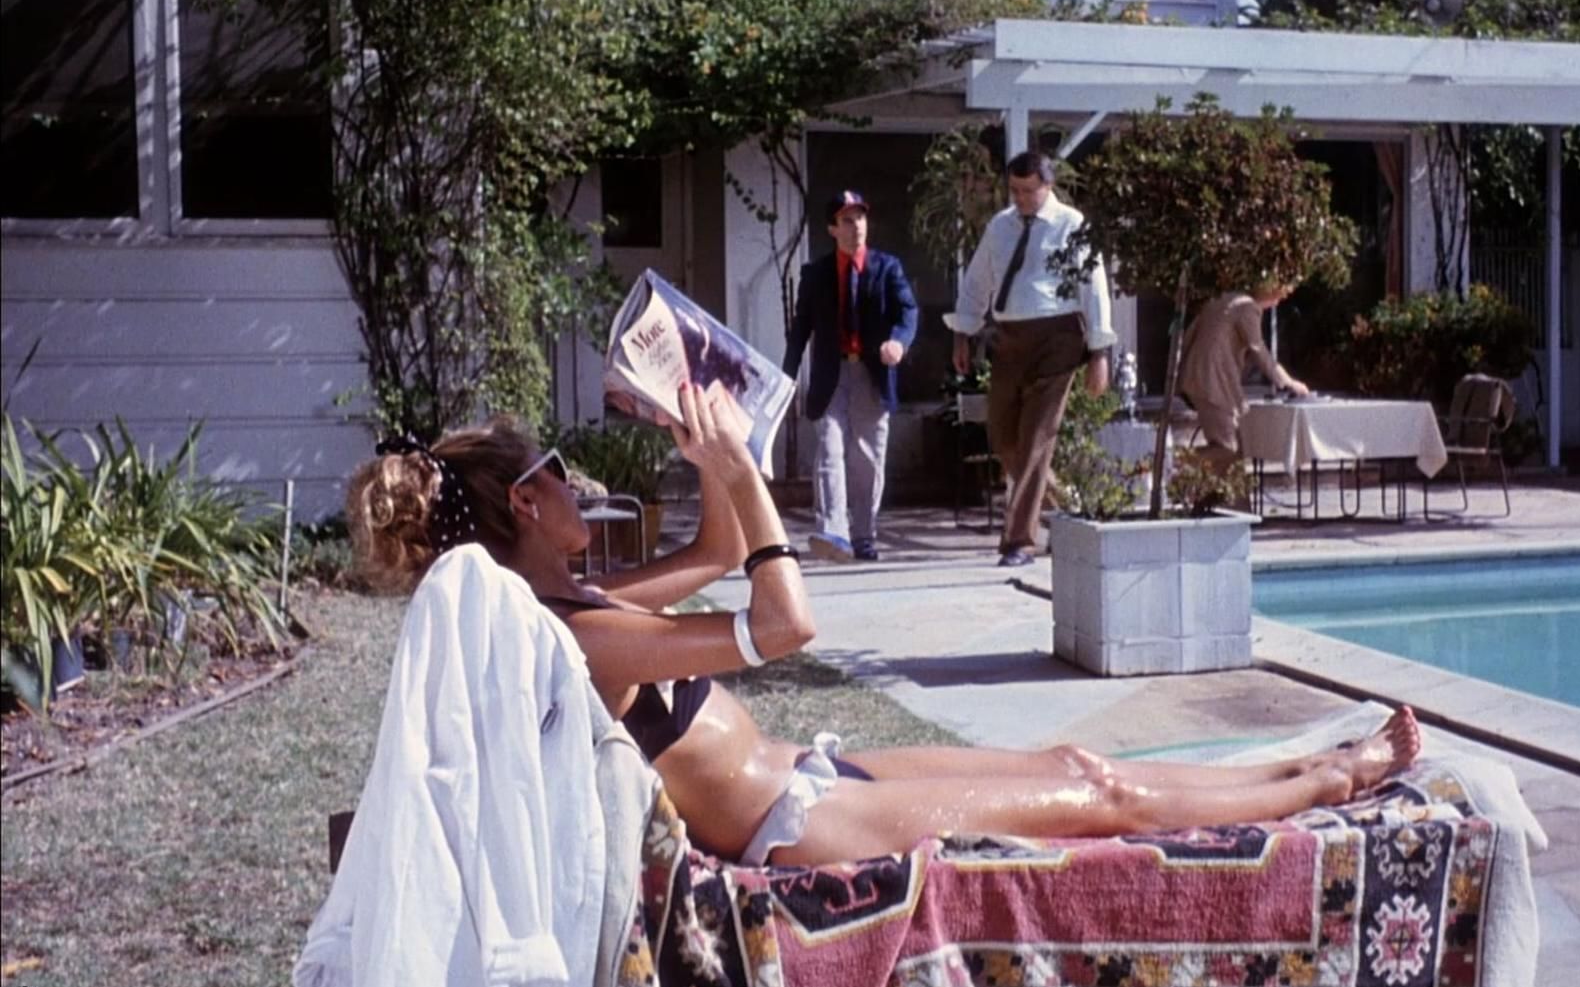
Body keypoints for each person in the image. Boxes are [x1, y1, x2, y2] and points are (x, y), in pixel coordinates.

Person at [345, 386, 1423, 869]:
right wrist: (746, 474)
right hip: (793, 822)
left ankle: (1300, 769)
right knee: (1103, 799)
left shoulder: (578, 606)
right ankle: (1331, 778)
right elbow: (786, 621)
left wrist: (713, 455)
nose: (575, 481)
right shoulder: (579, 635)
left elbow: (718, 553)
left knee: (1072, 762)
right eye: (555, 472)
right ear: (525, 503)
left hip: (808, 774)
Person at [946, 151, 1116, 568]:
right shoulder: (1000, 226)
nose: (1021, 198)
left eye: (1029, 191)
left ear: (1048, 186)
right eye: (1015, 191)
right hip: (1010, 338)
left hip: (1058, 338)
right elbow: (977, 281)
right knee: (1004, 435)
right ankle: (1069, 510)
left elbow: (1094, 287)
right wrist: (963, 333)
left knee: (1038, 437)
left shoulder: (1071, 223)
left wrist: (1099, 352)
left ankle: (1019, 541)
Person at [781, 190, 918, 563]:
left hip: (872, 373)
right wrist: (787, 378)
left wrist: (899, 341)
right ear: (832, 228)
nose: (856, 226)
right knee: (829, 450)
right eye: (846, 219)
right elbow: (800, 330)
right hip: (831, 373)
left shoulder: (887, 268)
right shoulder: (816, 275)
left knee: (867, 458)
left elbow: (908, 311)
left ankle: (864, 535)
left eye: (860, 217)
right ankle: (834, 533)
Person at [1178, 282, 1312, 469]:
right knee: (1228, 448)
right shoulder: (1247, 307)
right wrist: (1288, 382)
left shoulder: (1225, 299)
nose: (1279, 301)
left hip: (1201, 377)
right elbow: (1258, 350)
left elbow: (1192, 333)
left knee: (1233, 451)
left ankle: (1213, 486)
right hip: (1212, 381)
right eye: (1279, 296)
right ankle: (1172, 461)